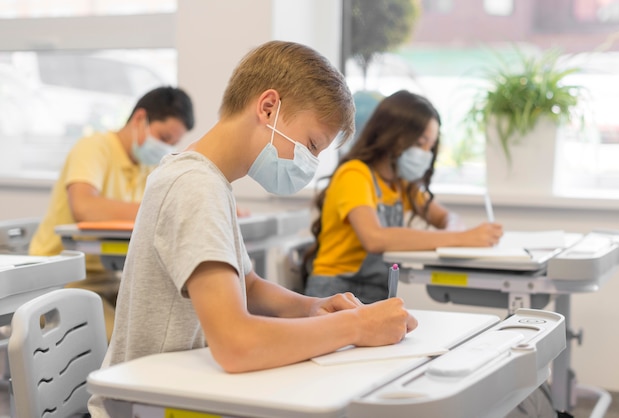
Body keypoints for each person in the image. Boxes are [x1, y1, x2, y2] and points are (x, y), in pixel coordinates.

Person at [87, 40, 417, 417]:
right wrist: (357, 326)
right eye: (311, 144)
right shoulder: (194, 186)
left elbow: (249, 285)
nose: (308, 164)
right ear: (268, 107)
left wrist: (313, 308)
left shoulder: (209, 180)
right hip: (149, 405)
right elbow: (236, 344)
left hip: (179, 390)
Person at [303, 90, 503, 304]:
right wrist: (461, 239)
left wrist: (454, 229)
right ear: (394, 135)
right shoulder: (354, 174)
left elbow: (446, 217)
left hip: (373, 294)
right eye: (420, 143)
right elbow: (374, 238)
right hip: (334, 293)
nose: (425, 154)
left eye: (430, 146)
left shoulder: (401, 184)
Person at [29, 86, 195, 339]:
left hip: (109, 277)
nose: (165, 148)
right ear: (140, 118)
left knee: (173, 329)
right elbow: (84, 207)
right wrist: (161, 208)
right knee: (128, 342)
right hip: (60, 279)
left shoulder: (146, 167)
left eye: (173, 144)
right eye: (163, 138)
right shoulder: (94, 147)